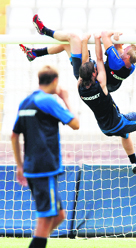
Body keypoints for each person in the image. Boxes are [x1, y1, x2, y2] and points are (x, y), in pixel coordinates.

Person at [11, 65, 79, 248]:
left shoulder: (26, 102)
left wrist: (19, 165)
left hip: (33, 167)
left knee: (59, 215)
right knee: (46, 218)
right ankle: (38, 243)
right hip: (45, 168)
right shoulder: (48, 101)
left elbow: (14, 135)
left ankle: (38, 242)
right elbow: (75, 123)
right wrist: (65, 98)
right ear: (55, 81)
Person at [77, 33, 136, 177]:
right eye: (95, 70)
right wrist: (95, 39)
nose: (96, 69)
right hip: (115, 123)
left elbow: (84, 64)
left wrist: (83, 43)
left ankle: (135, 162)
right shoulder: (101, 85)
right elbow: (98, 59)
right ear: (95, 75)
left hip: (105, 127)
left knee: (125, 134)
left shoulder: (80, 89)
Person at [20, 14, 136, 92]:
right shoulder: (130, 66)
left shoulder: (117, 63)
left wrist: (86, 41)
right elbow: (119, 49)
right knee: (66, 44)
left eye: (126, 49)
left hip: (85, 74)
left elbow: (104, 36)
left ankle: (44, 31)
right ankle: (34, 53)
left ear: (128, 56)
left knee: (73, 38)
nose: (124, 48)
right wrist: (117, 38)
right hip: (96, 77)